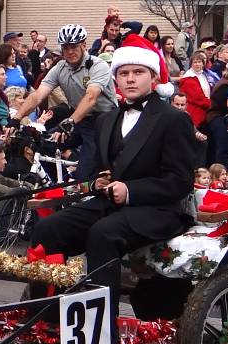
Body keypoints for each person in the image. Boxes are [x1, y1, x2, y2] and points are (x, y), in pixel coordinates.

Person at [29, 43, 196, 313]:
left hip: (157, 210)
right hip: (109, 205)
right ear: (115, 79)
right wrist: (97, 182)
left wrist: (130, 191)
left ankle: (102, 331)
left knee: (103, 234)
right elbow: (99, 169)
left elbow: (179, 182)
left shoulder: (173, 120)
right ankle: (45, 318)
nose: (130, 79)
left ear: (153, 78)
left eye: (138, 72)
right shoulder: (106, 120)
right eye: (124, 73)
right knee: (47, 229)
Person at [15, 24, 120, 181]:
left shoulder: (98, 65)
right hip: (78, 119)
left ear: (83, 45)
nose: (70, 51)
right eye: (65, 47)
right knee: (42, 144)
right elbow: (38, 95)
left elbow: (91, 97)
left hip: (103, 121)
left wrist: (70, 122)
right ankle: (61, 183)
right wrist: (15, 118)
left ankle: (82, 189)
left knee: (85, 172)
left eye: (74, 46)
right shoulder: (60, 68)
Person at [178, 51, 211, 131]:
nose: (197, 64)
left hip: (203, 111)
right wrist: (211, 104)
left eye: (199, 62)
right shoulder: (188, 79)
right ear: (191, 64)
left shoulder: (202, 75)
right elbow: (197, 98)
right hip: (195, 112)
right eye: (195, 62)